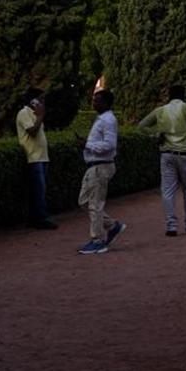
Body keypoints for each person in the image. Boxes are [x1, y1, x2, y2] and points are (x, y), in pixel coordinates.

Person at [139, 85, 186, 237]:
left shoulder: (160, 111)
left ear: (169, 95)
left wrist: (155, 135)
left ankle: (171, 226)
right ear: (183, 95)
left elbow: (142, 125)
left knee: (167, 191)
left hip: (167, 153)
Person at [76, 89, 123, 254]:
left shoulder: (108, 120)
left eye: (98, 101)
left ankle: (97, 240)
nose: (94, 103)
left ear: (107, 103)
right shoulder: (101, 119)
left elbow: (110, 145)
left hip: (100, 166)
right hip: (94, 166)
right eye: (94, 100)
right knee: (84, 202)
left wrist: (87, 145)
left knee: (95, 204)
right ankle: (112, 225)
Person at [16, 88, 56, 229]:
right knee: (39, 189)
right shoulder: (24, 113)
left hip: (42, 157)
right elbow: (32, 132)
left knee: (39, 189)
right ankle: (41, 218)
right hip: (33, 157)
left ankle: (34, 217)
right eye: (41, 99)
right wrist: (40, 117)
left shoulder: (36, 114)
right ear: (33, 100)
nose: (43, 102)